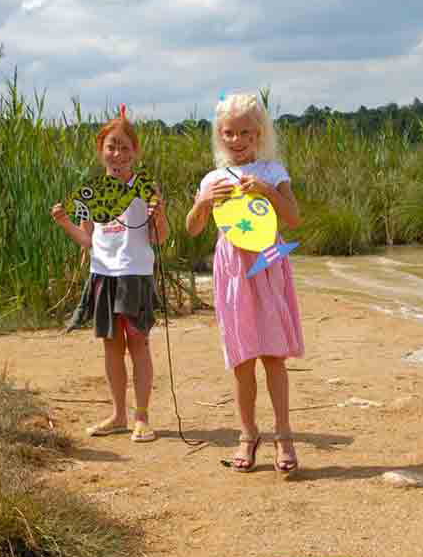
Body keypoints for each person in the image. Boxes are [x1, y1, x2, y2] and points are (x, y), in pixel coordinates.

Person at [186, 92, 303, 476]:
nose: (236, 141)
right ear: (220, 136)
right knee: (241, 357)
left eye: (245, 134)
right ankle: (247, 432)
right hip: (233, 270)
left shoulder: (272, 172)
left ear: (259, 134)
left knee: (273, 354)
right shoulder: (212, 178)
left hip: (267, 267)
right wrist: (204, 201)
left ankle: (283, 434)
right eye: (229, 133)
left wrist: (267, 192)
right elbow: (193, 228)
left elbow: (293, 219)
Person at [54, 106, 168, 443]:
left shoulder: (145, 187)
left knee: (139, 344)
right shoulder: (90, 192)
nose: (117, 154)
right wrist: (64, 222)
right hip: (102, 275)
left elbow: (159, 238)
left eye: (124, 147)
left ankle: (142, 417)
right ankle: (119, 414)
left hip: (135, 275)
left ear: (135, 152)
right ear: (101, 150)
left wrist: (159, 215)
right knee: (111, 346)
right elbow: (88, 240)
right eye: (111, 146)